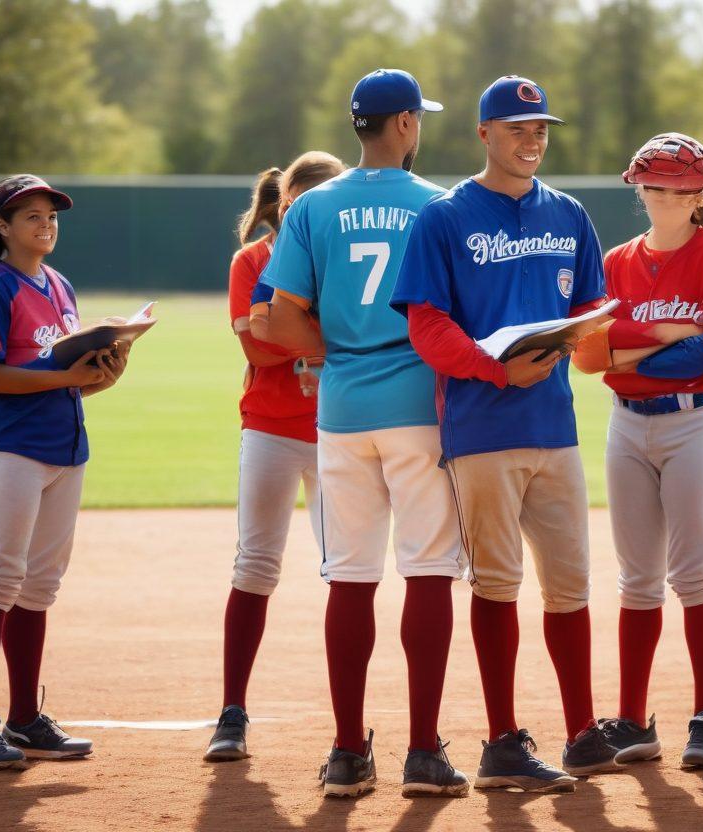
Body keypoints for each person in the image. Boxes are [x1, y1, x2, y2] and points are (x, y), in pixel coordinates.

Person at [392, 75, 618, 793]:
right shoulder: (445, 216)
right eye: (518, 129)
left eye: (541, 129)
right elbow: (426, 326)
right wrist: (497, 368)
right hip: (484, 426)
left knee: (571, 581)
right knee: (496, 582)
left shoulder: (571, 214)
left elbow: (589, 307)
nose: (533, 141)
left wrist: (582, 338)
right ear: (484, 134)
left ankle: (582, 733)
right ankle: (501, 740)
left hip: (555, 423)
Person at [261, 68, 468, 799]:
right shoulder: (440, 205)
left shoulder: (313, 206)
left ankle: (348, 752)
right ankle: (422, 751)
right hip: (419, 404)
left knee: (349, 576)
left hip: (341, 407)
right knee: (429, 569)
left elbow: (278, 319)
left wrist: (339, 350)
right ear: (405, 124)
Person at [571, 132, 703, 770]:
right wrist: (669, 335)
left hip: (696, 422)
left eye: (677, 187)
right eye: (652, 184)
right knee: (636, 578)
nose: (662, 195)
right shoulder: (616, 262)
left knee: (693, 569)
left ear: (699, 194)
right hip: (627, 424)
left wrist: (634, 347)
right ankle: (633, 720)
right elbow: (588, 356)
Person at [0, 174, 130, 770]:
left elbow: (71, 379)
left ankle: (24, 718)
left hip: (65, 447)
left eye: (51, 215)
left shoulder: (59, 284)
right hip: (9, 448)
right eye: (31, 216)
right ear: (2, 226)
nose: (46, 224)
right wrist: (66, 379)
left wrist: (105, 370)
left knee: (38, 588)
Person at [205, 152, 344, 762]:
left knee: (346, 570)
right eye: (298, 201)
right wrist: (323, 340)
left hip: (341, 429)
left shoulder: (347, 255)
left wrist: (287, 332)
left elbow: (275, 337)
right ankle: (232, 712)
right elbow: (258, 353)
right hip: (272, 427)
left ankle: (349, 725)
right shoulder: (254, 261)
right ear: (284, 205)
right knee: (256, 565)